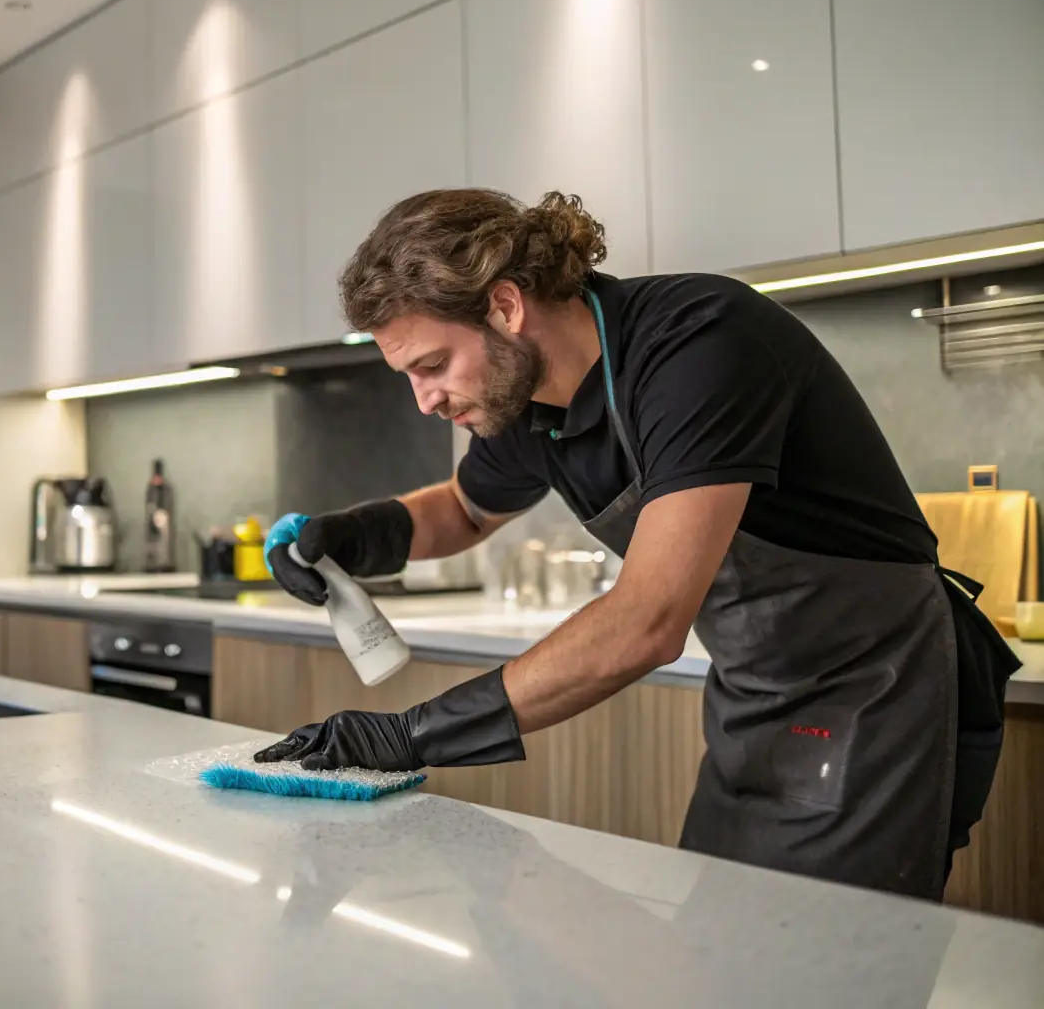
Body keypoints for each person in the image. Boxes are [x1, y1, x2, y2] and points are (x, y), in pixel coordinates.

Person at [257, 188, 1020, 902]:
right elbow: (463, 509)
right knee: (717, 956)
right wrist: (350, 535)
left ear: (504, 306)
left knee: (830, 971)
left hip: (875, 694)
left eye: (431, 366)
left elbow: (649, 619)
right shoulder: (527, 403)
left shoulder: (698, 344)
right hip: (751, 703)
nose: (424, 400)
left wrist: (410, 734)